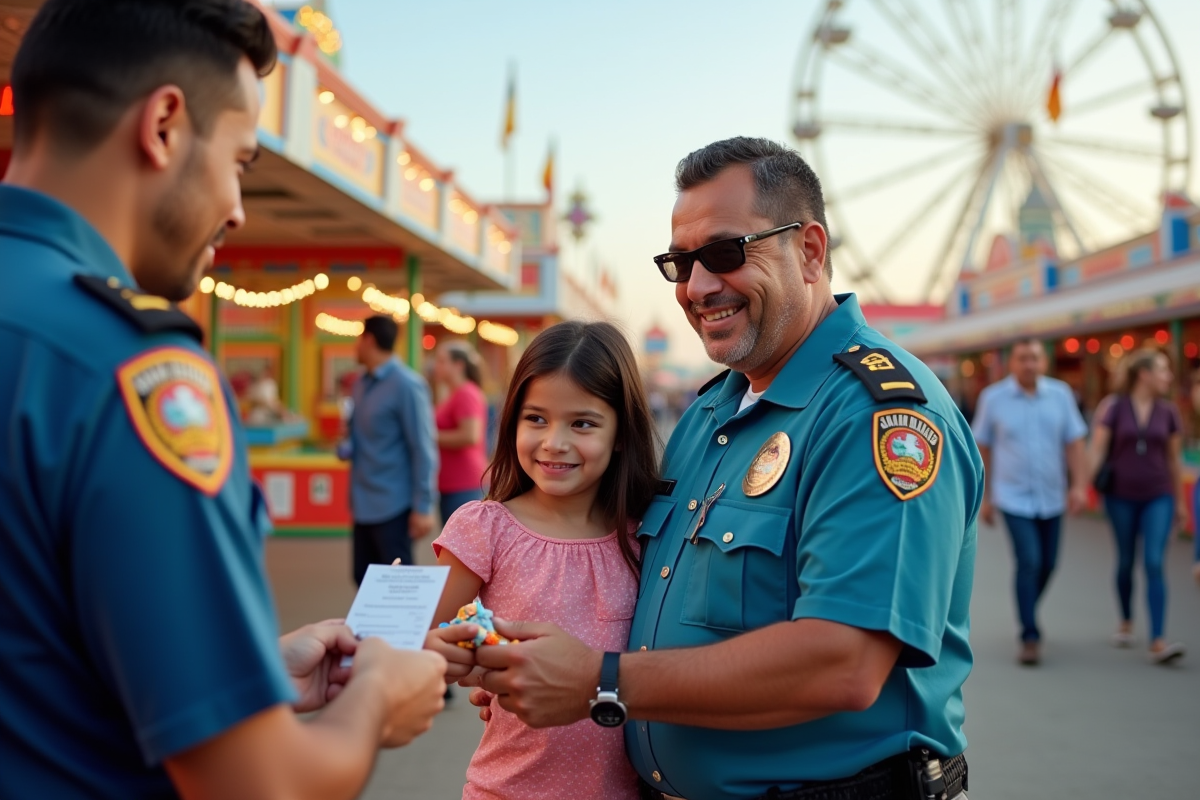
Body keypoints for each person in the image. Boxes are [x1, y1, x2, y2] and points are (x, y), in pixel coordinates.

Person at [0, 2, 457, 799]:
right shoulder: (131, 371)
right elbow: (261, 785)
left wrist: (249, 677)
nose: (239, 208)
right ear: (164, 125)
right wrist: (379, 699)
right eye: (240, 161)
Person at [462, 138, 981, 800]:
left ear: (810, 251)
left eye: (726, 253)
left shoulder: (874, 416)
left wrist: (598, 679)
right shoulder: (711, 412)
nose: (698, 287)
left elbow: (845, 663)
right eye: (681, 263)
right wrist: (535, 668)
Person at [423, 321, 659, 800]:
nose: (554, 442)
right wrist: (463, 660)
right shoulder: (485, 527)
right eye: (536, 419)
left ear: (620, 432)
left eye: (582, 423)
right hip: (504, 790)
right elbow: (414, 641)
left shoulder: (649, 535)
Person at [971, 339, 1089, 665]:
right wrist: (986, 498)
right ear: (1012, 363)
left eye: (1035, 358)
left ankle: (1027, 607)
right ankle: (1030, 635)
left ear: (1044, 362)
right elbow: (982, 448)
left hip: (1052, 496)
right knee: (1030, 560)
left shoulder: (1061, 395)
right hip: (1013, 497)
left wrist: (1080, 486)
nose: (1029, 365)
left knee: (1049, 564)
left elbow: (1074, 443)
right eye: (1023, 359)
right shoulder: (993, 398)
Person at [1089, 349, 1188, 663]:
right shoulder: (1114, 407)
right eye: (1162, 369)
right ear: (1144, 374)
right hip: (1120, 496)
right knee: (1125, 560)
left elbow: (1174, 460)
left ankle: (1158, 639)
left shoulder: (1169, 412)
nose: (1168, 376)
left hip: (1158, 495)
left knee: (1154, 562)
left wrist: (1181, 503)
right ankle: (1126, 621)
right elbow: (1098, 449)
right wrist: (1082, 485)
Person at [338, 315, 438, 584]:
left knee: (398, 584)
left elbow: (423, 447)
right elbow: (357, 436)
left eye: (358, 339)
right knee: (364, 579)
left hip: (394, 504)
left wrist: (423, 506)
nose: (355, 346)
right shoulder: (360, 384)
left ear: (369, 340)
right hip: (362, 502)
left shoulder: (407, 385)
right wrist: (346, 445)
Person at [433, 340, 489, 522]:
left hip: (464, 483)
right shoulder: (453, 393)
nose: (436, 366)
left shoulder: (466, 393)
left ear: (458, 365)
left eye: (442, 361)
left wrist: (429, 437)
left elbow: (470, 436)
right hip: (452, 483)